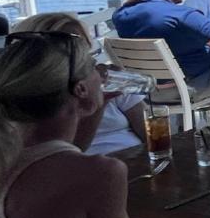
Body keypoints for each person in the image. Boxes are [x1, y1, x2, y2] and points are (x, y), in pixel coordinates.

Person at [0, 30, 142, 218]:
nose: (102, 74)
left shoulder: (6, 153)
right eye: (94, 66)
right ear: (81, 88)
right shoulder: (101, 173)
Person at [12, 13, 147, 156]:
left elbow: (148, 130)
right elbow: (66, 151)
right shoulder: (28, 99)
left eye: (83, 47)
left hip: (137, 162)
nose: (82, 55)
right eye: (71, 47)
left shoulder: (106, 78)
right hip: (82, 170)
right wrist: (100, 101)